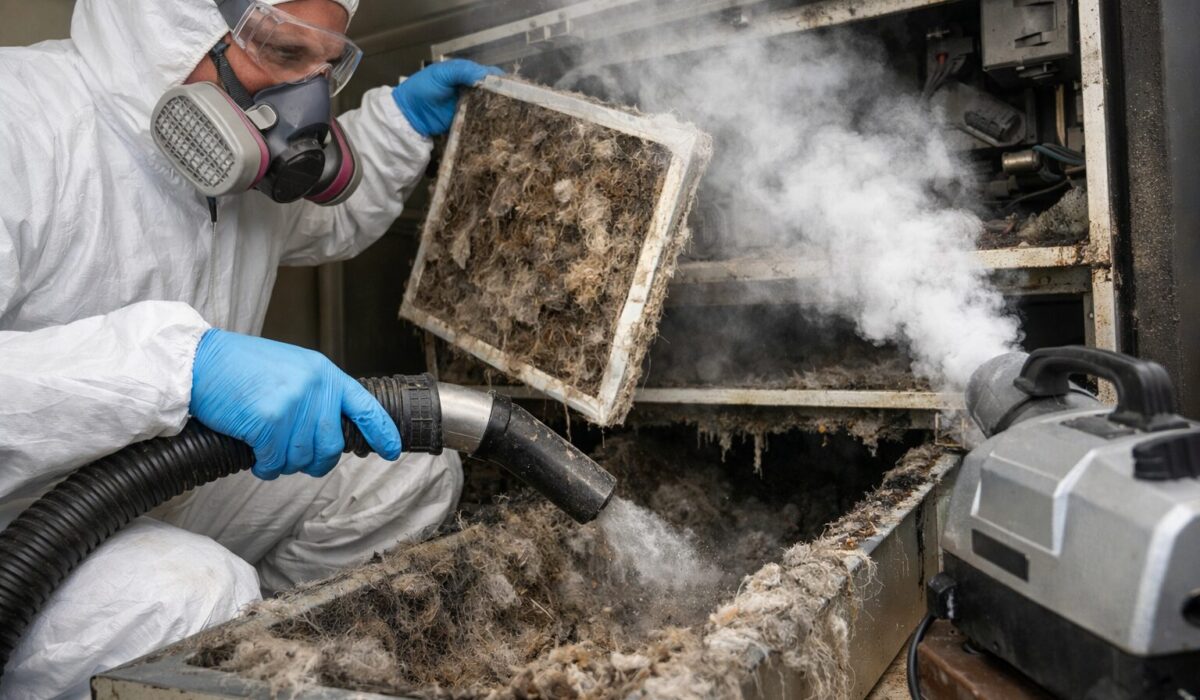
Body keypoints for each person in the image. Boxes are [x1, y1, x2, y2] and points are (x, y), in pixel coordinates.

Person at [0, 0, 499, 696]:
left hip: (157, 475)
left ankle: (270, 657)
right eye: (285, 55)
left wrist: (399, 123)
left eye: (327, 66)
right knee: (191, 595)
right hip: (19, 523)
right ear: (168, 28)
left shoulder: (238, 166)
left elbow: (328, 221)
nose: (307, 101)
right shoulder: (20, 119)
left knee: (406, 472)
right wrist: (175, 367)